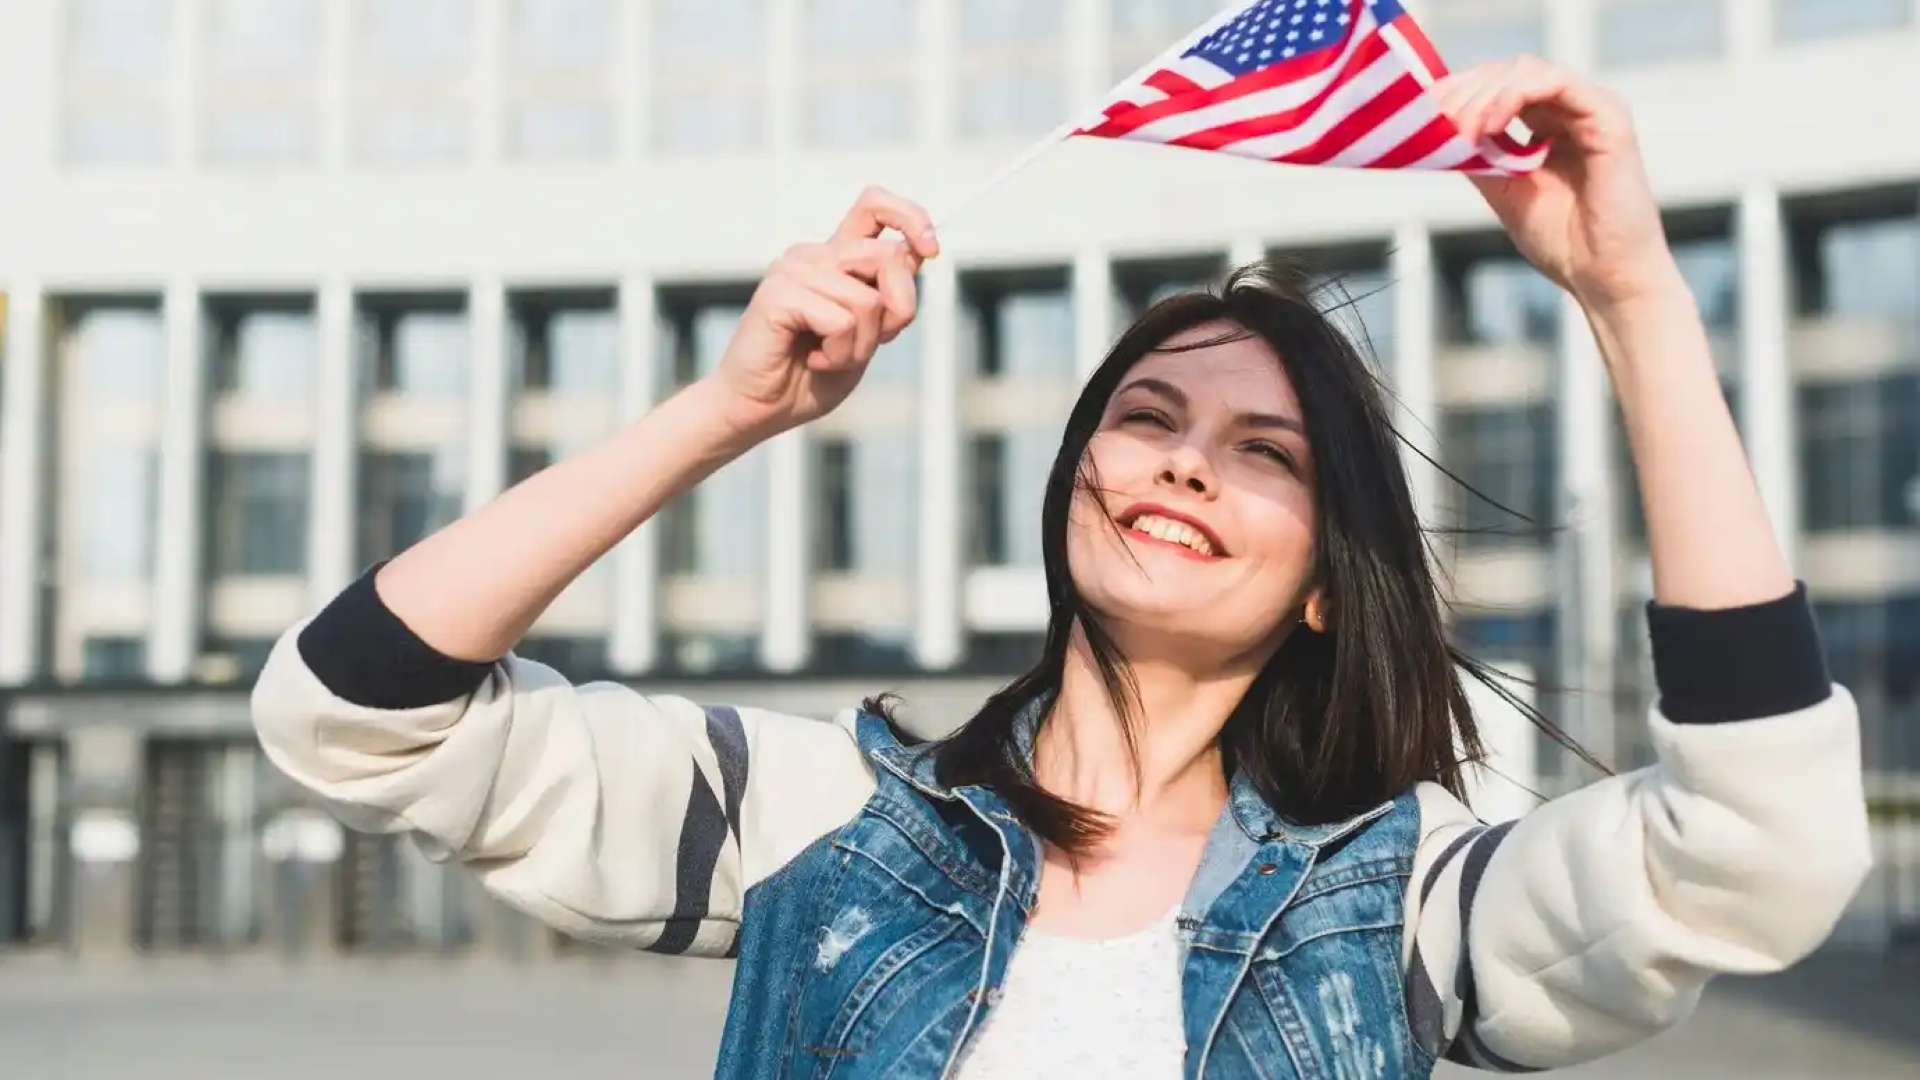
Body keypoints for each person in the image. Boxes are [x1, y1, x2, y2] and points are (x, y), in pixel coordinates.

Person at [251, 57, 1870, 1079]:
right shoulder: (815, 821)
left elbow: (1764, 851)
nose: (1182, 459)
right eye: (1149, 416)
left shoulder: (1403, 908)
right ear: (1074, 481)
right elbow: (351, 712)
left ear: (1327, 583)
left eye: (1265, 454)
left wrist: (1635, 300)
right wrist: (723, 414)